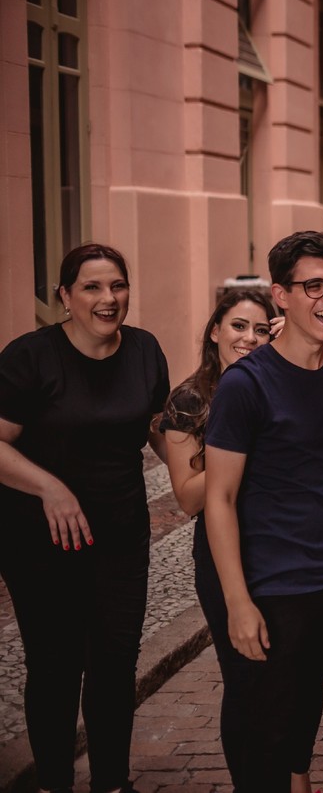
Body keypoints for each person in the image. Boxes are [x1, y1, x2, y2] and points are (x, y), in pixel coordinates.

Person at [204, 231, 323, 792]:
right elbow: (219, 498)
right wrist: (238, 603)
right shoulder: (245, 385)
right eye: (314, 286)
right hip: (280, 588)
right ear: (280, 296)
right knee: (278, 732)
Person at [0, 243, 169, 793]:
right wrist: (50, 487)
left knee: (115, 665)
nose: (108, 298)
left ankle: (112, 783)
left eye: (117, 285)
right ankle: (52, 783)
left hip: (121, 532)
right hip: (41, 537)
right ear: (64, 296)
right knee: (54, 666)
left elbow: (159, 431)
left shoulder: (144, 350)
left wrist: (206, 480)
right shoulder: (30, 357)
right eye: (93, 287)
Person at [160, 291, 323, 793]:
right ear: (215, 332)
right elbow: (188, 498)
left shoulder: (281, 384)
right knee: (248, 680)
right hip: (225, 552)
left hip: (288, 548)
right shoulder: (190, 399)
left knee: (301, 676)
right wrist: (239, 444)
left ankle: (297, 775)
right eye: (237, 327)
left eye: (259, 329)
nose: (248, 338)